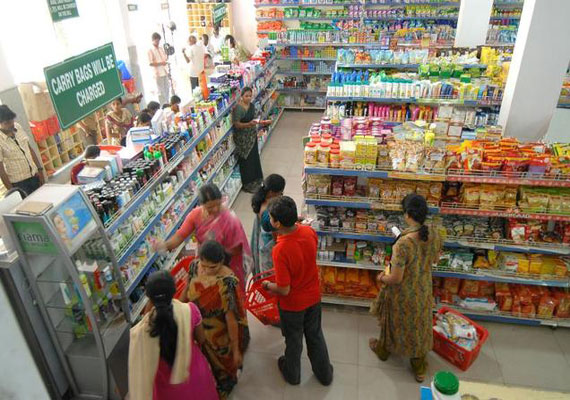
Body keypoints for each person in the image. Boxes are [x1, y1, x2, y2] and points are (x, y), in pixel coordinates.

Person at [369, 193, 442, 383]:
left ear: (407, 214)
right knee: (419, 326)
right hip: (423, 289)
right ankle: (419, 368)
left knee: (392, 322)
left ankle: (383, 350)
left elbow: (396, 278)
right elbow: (435, 258)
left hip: (403, 294)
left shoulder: (403, 244)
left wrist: (381, 277)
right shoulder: (434, 233)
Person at [262, 196, 334, 386]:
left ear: (277, 223)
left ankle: (292, 375)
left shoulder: (280, 249)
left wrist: (268, 286)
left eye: (271, 218)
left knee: (294, 340)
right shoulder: (309, 232)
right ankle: (325, 374)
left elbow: (284, 289)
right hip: (313, 297)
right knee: (315, 335)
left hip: (293, 305)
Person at [128, 270, 218, 400]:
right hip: (194, 375)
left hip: (166, 387)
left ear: (149, 297)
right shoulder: (190, 310)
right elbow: (202, 339)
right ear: (173, 291)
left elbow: (150, 316)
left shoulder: (142, 329)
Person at [181, 240, 249, 399]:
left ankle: (226, 385)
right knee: (205, 360)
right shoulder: (194, 267)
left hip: (220, 334)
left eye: (213, 267)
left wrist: (235, 349)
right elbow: (186, 290)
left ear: (221, 262)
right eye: (204, 266)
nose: (207, 271)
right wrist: (177, 307)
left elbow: (231, 319)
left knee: (223, 364)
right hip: (198, 327)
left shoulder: (227, 282)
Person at [154, 183, 251, 292]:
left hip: (227, 264)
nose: (215, 209)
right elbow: (179, 236)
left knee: (229, 293)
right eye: (210, 207)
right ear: (202, 205)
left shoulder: (230, 220)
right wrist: (165, 245)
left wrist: (216, 262)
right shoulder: (195, 215)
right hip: (205, 263)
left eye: (218, 204)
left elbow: (237, 248)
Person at [232, 87, 270, 193]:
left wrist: (263, 122)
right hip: (243, 138)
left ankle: (257, 179)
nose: (248, 98)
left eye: (250, 96)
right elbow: (237, 124)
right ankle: (248, 184)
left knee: (254, 157)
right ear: (241, 96)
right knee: (246, 160)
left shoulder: (252, 106)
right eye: (246, 96)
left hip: (252, 135)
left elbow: (254, 119)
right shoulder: (238, 109)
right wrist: (248, 124)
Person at [0, 105, 44, 195]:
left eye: (12, 120)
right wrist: (12, 191)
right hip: (19, 184)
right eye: (7, 123)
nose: (11, 124)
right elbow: (1, 170)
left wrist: (40, 170)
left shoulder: (18, 127)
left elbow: (29, 149)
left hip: (34, 176)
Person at [250, 174, 285, 275]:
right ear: (271, 192)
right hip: (268, 246)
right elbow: (276, 232)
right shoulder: (267, 211)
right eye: (280, 193)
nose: (281, 195)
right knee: (270, 272)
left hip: (264, 241)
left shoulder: (262, 200)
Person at [148, 32, 170, 105]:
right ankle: (164, 105)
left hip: (164, 71)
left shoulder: (160, 48)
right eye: (156, 41)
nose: (158, 43)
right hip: (158, 73)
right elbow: (150, 63)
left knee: (167, 89)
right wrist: (161, 63)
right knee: (161, 91)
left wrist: (166, 59)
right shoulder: (150, 50)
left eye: (159, 41)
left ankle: (168, 103)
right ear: (153, 40)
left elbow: (164, 58)